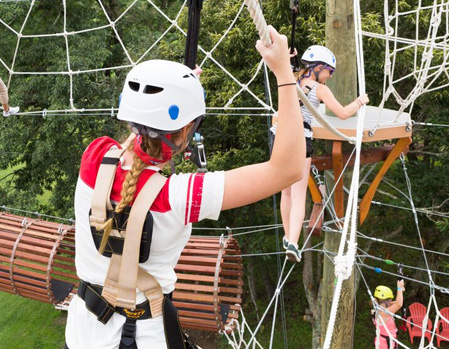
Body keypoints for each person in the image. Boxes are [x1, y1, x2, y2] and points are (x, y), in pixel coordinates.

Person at [64, 25, 306, 349]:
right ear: (186, 131)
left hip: (83, 332)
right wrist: (285, 75)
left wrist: (176, 103)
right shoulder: (178, 197)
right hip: (140, 338)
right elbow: (287, 168)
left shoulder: (95, 156)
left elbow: (128, 154)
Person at [280, 45, 368, 262]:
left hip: (279, 134)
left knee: (286, 192)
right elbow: (343, 113)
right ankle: (292, 242)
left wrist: (287, 57)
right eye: (329, 71)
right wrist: (361, 101)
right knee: (299, 193)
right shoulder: (320, 89)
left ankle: (286, 235)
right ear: (319, 68)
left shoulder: (292, 78)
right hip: (299, 137)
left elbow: (280, 68)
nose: (330, 76)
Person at [373, 281, 405, 349]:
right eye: (390, 300)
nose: (391, 301)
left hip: (388, 343)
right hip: (385, 345)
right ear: (386, 301)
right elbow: (398, 304)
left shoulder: (379, 308)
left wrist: (401, 291)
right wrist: (399, 288)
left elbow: (397, 302)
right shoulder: (383, 313)